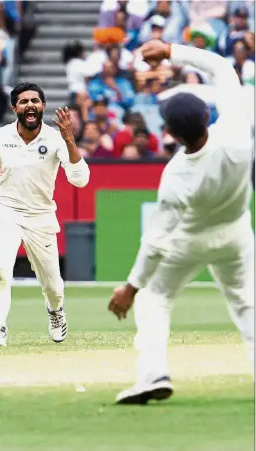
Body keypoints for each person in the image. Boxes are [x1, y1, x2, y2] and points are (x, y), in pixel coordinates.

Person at [108, 39, 254, 404]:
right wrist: (171, 50)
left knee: (154, 298)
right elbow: (222, 66)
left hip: (190, 239)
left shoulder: (176, 175)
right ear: (208, 114)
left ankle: (153, 375)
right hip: (236, 234)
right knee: (247, 304)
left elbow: (156, 241)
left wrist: (131, 286)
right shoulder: (237, 129)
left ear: (170, 135)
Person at [0, 82, 90, 347]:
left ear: (43, 106)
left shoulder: (56, 138)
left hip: (41, 216)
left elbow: (80, 180)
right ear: (14, 108)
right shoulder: (0, 137)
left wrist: (69, 139)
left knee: (52, 284)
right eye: (24, 101)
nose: (30, 105)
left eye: (35, 101)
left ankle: (56, 313)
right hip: (6, 212)